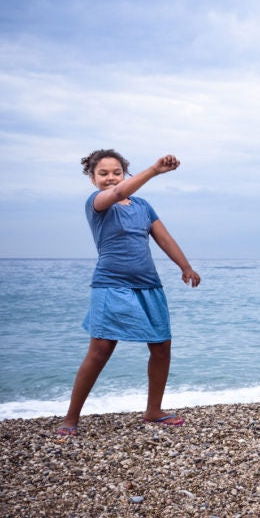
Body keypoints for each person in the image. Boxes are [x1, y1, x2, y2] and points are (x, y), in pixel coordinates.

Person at [55, 150, 201, 438]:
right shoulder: (96, 203)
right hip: (111, 285)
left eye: (116, 172)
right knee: (100, 351)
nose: (110, 178)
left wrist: (185, 267)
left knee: (161, 347)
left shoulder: (143, 206)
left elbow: (164, 238)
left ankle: (153, 410)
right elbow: (119, 192)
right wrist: (155, 171)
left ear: (125, 172)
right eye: (103, 173)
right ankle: (71, 418)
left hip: (148, 285)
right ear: (92, 177)